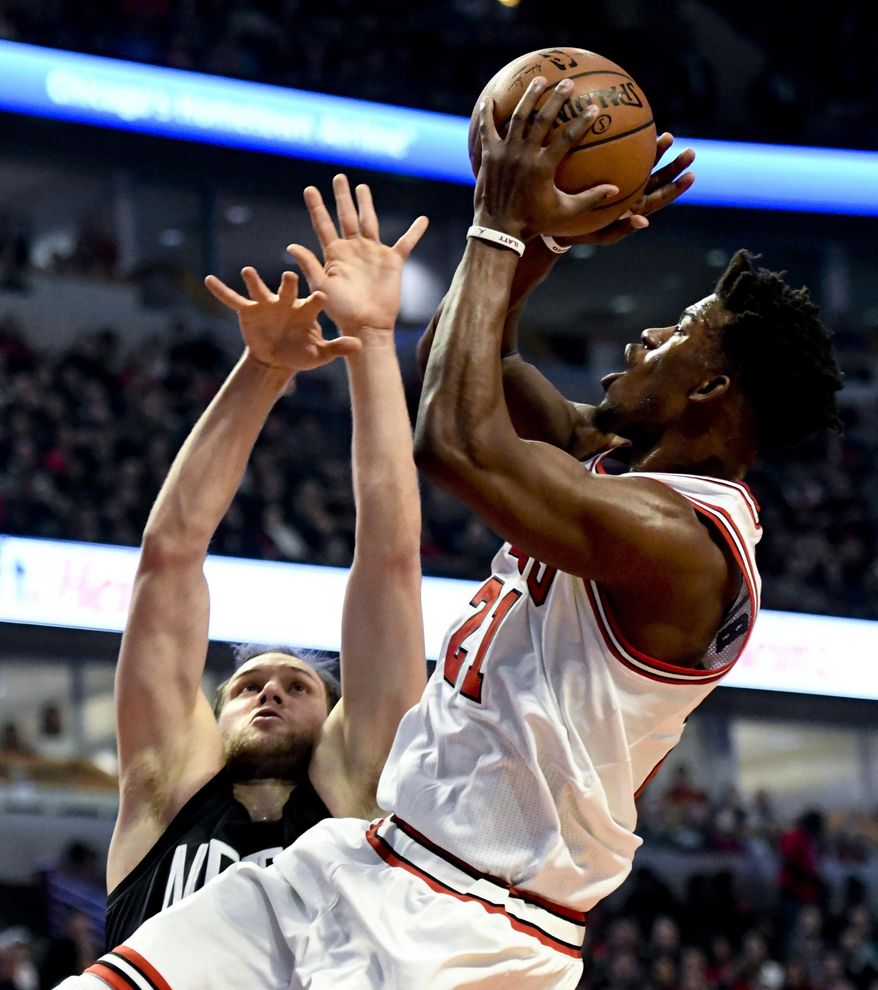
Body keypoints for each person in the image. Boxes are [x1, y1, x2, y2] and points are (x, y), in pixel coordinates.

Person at [59, 80, 842, 990]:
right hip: (367, 861)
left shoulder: (684, 546)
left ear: (711, 394)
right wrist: (539, 242)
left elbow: (455, 440)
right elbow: (466, 365)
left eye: (677, 334)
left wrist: (499, 221)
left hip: (481, 923)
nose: (644, 336)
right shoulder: (607, 464)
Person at [103, 175, 429, 946]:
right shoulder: (165, 790)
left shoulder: (358, 788)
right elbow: (170, 555)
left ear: (338, 721)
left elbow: (390, 559)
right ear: (210, 721)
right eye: (249, 685)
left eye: (297, 685)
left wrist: (374, 344)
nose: (271, 693)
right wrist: (264, 371)